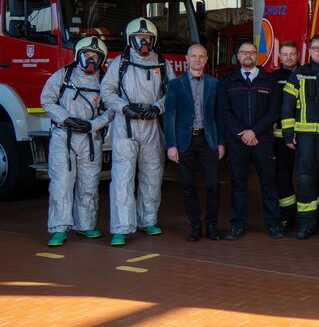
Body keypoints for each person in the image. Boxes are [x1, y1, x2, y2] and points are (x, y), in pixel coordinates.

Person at [101, 18, 175, 247]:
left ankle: (148, 219)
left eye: (148, 39)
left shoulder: (162, 63)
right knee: (123, 178)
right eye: (140, 39)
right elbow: (106, 90)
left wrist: (158, 107)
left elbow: (173, 91)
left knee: (152, 174)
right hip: (126, 125)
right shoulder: (120, 62)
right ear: (130, 39)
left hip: (152, 125)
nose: (144, 43)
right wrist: (124, 107)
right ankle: (121, 228)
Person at [41, 36, 112, 247]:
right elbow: (46, 100)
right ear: (78, 56)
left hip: (90, 137)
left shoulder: (105, 81)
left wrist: (94, 125)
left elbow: (110, 110)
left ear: (102, 59)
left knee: (89, 183)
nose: (91, 61)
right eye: (87, 56)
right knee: (61, 182)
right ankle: (59, 228)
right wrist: (65, 118)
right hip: (64, 135)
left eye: (95, 57)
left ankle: (85, 225)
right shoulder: (63, 76)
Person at [218, 42, 282, 240]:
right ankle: (237, 226)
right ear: (238, 56)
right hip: (238, 143)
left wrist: (254, 132)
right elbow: (224, 112)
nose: (248, 56)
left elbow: (274, 112)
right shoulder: (228, 82)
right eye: (244, 52)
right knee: (238, 186)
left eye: (252, 53)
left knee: (269, 184)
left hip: (262, 141)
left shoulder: (269, 82)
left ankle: (274, 225)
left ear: (257, 56)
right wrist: (243, 133)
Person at [280, 35, 319, 239]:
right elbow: (287, 106)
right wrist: (288, 134)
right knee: (306, 180)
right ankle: (307, 224)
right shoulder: (299, 75)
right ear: (310, 51)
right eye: (316, 48)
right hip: (306, 139)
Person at [164, 44, 224, 242]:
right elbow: (170, 115)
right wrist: (171, 145)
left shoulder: (215, 84)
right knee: (188, 185)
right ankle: (195, 226)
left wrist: (221, 142)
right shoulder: (175, 84)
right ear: (187, 59)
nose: (197, 59)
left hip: (208, 140)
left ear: (206, 60)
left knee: (213, 185)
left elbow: (219, 115)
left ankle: (212, 225)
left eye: (201, 56)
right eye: (194, 56)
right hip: (184, 141)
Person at [270, 41, 300, 231]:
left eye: (292, 54)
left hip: (304, 136)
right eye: (285, 54)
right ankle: (287, 216)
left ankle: (310, 216)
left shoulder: (305, 73)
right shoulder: (273, 78)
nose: (289, 57)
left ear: (298, 55)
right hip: (280, 137)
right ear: (280, 57)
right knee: (282, 177)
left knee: (307, 177)